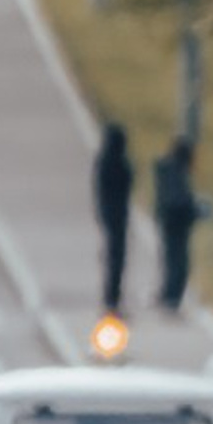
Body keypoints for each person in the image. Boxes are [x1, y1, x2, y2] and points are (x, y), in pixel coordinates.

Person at [153, 137, 204, 313]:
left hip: (170, 223)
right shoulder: (176, 173)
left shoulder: (167, 171)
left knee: (171, 260)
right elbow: (178, 202)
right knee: (178, 263)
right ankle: (172, 298)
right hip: (176, 224)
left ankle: (169, 295)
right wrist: (194, 212)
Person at [93, 124, 133, 313]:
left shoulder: (102, 161)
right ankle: (112, 298)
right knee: (116, 257)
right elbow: (128, 181)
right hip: (117, 214)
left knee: (113, 256)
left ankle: (111, 297)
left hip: (107, 213)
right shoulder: (118, 162)